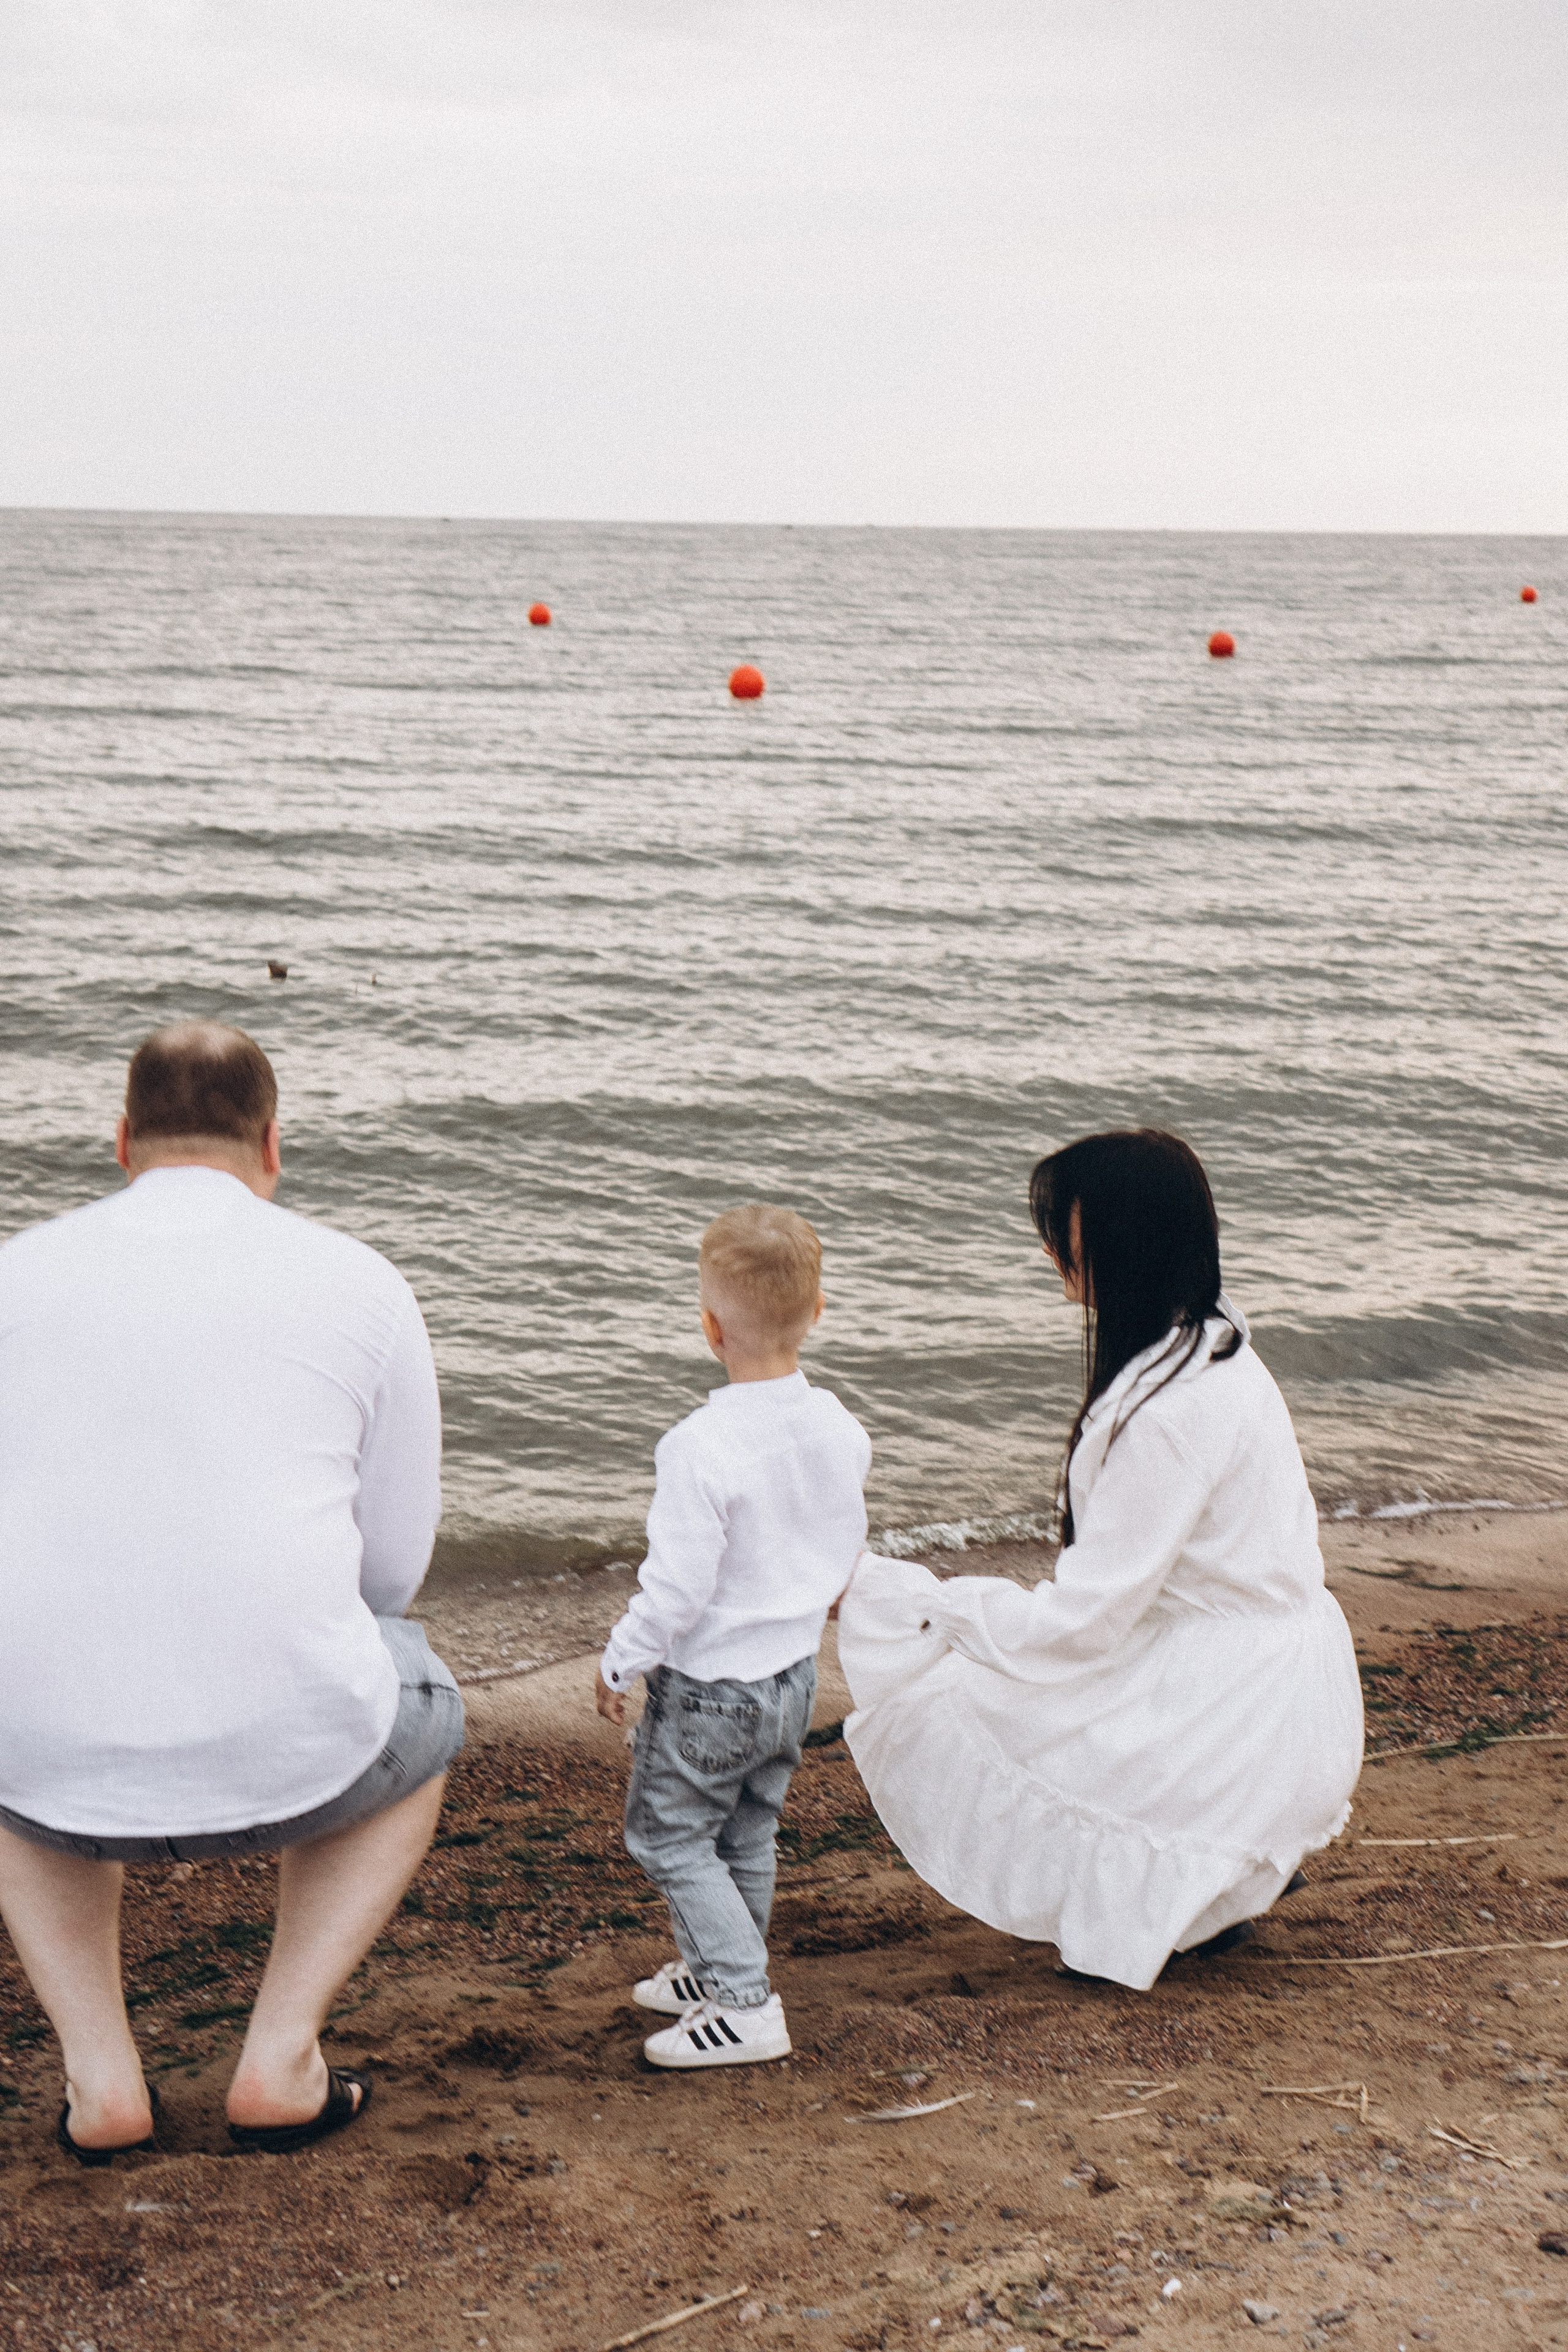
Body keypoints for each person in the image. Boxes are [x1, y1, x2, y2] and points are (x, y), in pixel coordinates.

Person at [0, 1022, 461, 2160]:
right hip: (300, 1754)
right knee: (424, 1697)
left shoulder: (14, 1273)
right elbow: (394, 1571)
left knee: (19, 1702)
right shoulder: (360, 1280)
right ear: (272, 1142)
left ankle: (102, 2079)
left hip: (44, 1761)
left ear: (121, 1141)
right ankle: (282, 2052)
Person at [836, 1129, 1363, 1992]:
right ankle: (1221, 1869)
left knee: (956, 1694)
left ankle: (1204, 1872)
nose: (1052, 1255)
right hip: (1290, 1693)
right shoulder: (1217, 1343)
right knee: (1012, 1679)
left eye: (1068, 1237)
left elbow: (1083, 1625)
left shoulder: (1166, 1413)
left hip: (1245, 1717)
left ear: (1123, 1247)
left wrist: (913, 1599)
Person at [595, 1205, 871, 2068]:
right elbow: (842, 1544)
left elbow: (678, 1586)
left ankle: (745, 2001)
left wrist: (622, 1659)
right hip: (792, 1681)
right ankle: (718, 1969)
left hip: (712, 1690)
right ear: (817, 1311)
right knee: (746, 1834)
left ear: (709, 1327)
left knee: (671, 1838)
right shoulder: (838, 1425)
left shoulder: (699, 1445)